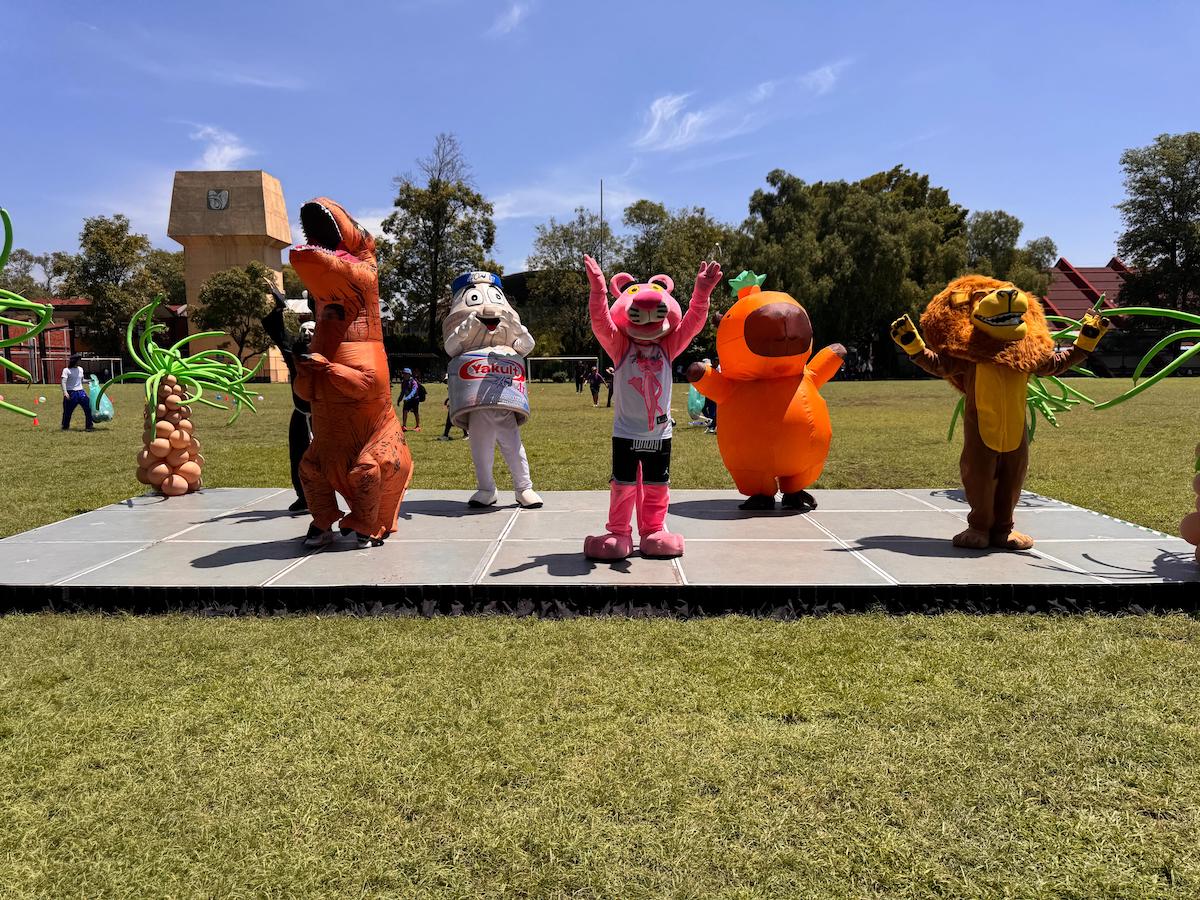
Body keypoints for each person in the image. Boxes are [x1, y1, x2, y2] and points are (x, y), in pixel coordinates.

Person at [262, 286, 314, 513]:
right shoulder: (295, 355)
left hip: (324, 415)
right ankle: (303, 496)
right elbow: (280, 336)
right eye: (305, 331)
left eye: (312, 331)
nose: (308, 334)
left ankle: (336, 499)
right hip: (301, 413)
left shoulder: (328, 354)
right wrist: (279, 309)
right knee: (298, 455)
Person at [60, 353, 95, 431]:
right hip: (71, 393)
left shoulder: (80, 369)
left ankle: (89, 426)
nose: (80, 362)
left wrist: (90, 381)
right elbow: (63, 382)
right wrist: (65, 392)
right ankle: (65, 426)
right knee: (68, 411)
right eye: (79, 360)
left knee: (88, 408)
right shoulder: (66, 370)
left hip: (81, 392)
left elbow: (81, 380)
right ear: (74, 361)